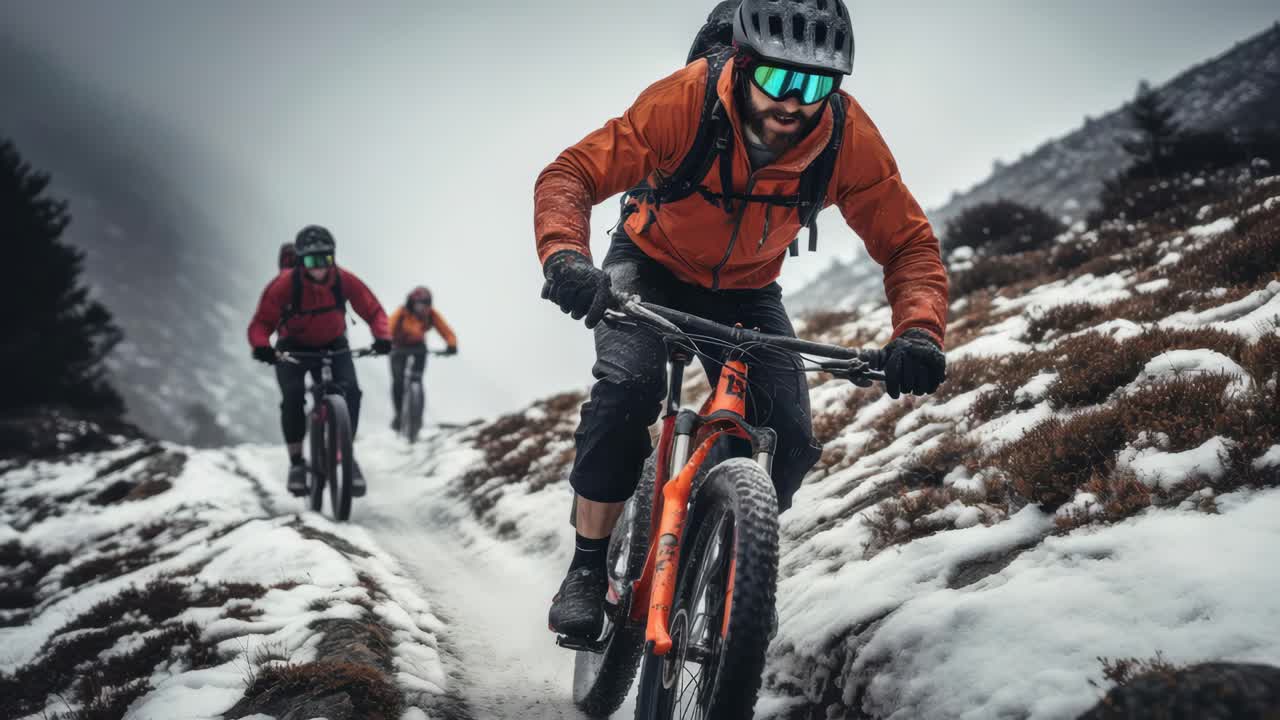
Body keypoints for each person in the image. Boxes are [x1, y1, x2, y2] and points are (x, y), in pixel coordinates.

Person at [535, 0, 949, 641]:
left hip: (748, 290)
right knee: (627, 393)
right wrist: (566, 256)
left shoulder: (845, 139)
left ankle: (733, 561)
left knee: (790, 434)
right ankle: (589, 568)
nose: (795, 102)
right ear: (744, 64)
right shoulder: (685, 102)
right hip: (648, 267)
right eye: (780, 79)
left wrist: (918, 331)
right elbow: (572, 173)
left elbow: (908, 246)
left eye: (816, 85)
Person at [248, 225, 392, 497]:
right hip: (293, 348)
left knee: (352, 392)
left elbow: (372, 310)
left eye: (326, 259)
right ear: (301, 262)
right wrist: (262, 347)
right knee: (293, 397)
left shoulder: (344, 280)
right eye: (312, 261)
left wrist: (382, 336)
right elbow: (261, 323)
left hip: (334, 344)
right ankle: (297, 464)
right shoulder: (284, 286)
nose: (320, 268)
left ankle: (345, 454)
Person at [387, 286, 458, 432]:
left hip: (419, 348)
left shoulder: (431, 314)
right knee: (398, 381)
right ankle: (399, 414)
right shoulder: (401, 313)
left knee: (417, 379)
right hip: (398, 348)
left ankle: (416, 417)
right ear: (411, 303)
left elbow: (445, 329)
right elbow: (388, 327)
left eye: (425, 304)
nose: (422, 307)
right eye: (419, 303)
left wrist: (451, 344)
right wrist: (385, 342)